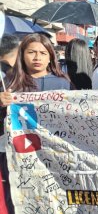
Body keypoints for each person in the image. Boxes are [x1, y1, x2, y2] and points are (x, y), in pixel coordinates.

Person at [0, 33, 71, 214]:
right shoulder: (9, 81)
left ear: (50, 57)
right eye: (32, 52)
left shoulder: (63, 83)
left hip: (55, 154)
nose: (37, 57)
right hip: (21, 155)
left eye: (43, 52)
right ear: (22, 55)